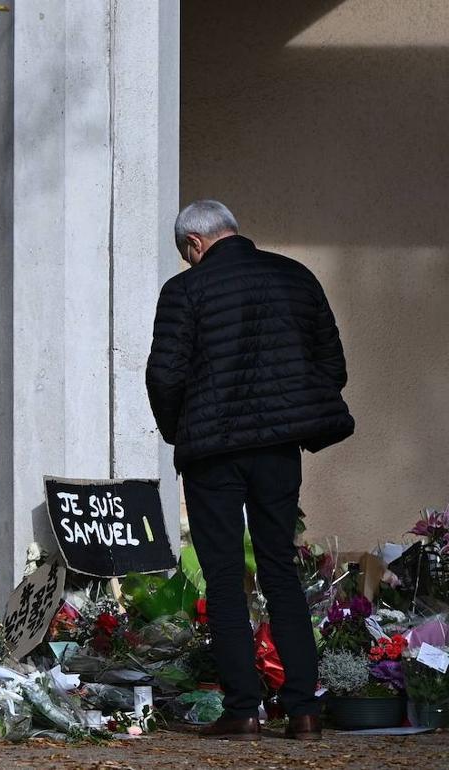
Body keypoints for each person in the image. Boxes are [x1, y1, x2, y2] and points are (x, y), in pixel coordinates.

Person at [146, 201, 354, 741]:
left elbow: (164, 376)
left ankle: (243, 711)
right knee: (280, 569)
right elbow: (333, 365)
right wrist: (293, 413)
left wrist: (180, 430)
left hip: (214, 451)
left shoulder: (184, 291)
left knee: (223, 579)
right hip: (279, 449)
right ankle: (304, 711)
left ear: (193, 245)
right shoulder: (296, 277)